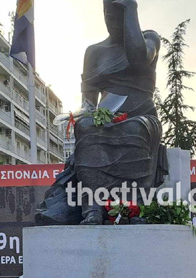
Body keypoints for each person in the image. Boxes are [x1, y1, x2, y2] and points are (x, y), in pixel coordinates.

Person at [36, 0, 167, 225]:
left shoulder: (149, 39)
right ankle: (92, 209)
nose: (112, 21)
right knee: (85, 127)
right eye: (108, 15)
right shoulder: (94, 52)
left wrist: (130, 8)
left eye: (119, 15)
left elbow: (139, 60)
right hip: (105, 120)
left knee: (134, 129)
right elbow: (88, 102)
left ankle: (134, 209)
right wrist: (83, 115)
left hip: (142, 117)